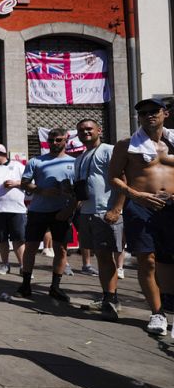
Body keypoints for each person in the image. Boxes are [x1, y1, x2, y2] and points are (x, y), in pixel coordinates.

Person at [108, 98, 174, 335]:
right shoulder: (126, 145)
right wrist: (136, 195)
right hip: (141, 205)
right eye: (143, 113)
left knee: (169, 261)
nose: (148, 115)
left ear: (164, 113)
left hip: (171, 208)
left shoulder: (173, 142)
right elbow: (114, 177)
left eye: (153, 111)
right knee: (147, 260)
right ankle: (157, 313)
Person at [15, 128, 77, 301]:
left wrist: (69, 196)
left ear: (66, 140)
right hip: (38, 211)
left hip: (62, 212)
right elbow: (25, 183)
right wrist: (42, 190)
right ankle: (26, 284)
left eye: (58, 140)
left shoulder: (75, 162)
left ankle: (55, 287)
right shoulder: (36, 161)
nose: (54, 143)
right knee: (31, 248)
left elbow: (79, 189)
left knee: (61, 249)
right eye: (51, 140)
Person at [73, 119, 125, 320]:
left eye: (89, 128)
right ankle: (108, 297)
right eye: (81, 130)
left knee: (106, 256)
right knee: (100, 257)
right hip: (86, 212)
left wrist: (117, 209)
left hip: (105, 212)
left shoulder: (109, 150)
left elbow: (122, 179)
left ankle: (111, 299)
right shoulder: (80, 158)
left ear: (99, 130)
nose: (85, 132)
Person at [0, 143, 27, 276]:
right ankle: (5, 264)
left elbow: (30, 181)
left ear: (5, 154)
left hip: (16, 209)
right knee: (1, 239)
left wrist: (16, 183)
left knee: (18, 239)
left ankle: (23, 266)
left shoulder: (18, 166)